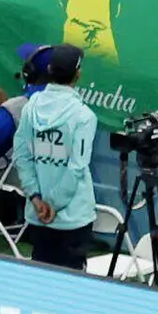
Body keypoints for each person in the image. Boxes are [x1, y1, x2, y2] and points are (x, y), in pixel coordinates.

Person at [7, 40, 102, 265]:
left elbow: (22, 155)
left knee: (40, 283)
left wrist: (37, 199)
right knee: (71, 290)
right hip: (72, 217)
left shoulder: (31, 107)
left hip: (39, 216)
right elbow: (76, 167)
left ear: (49, 71)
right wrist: (54, 204)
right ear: (77, 75)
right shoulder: (84, 116)